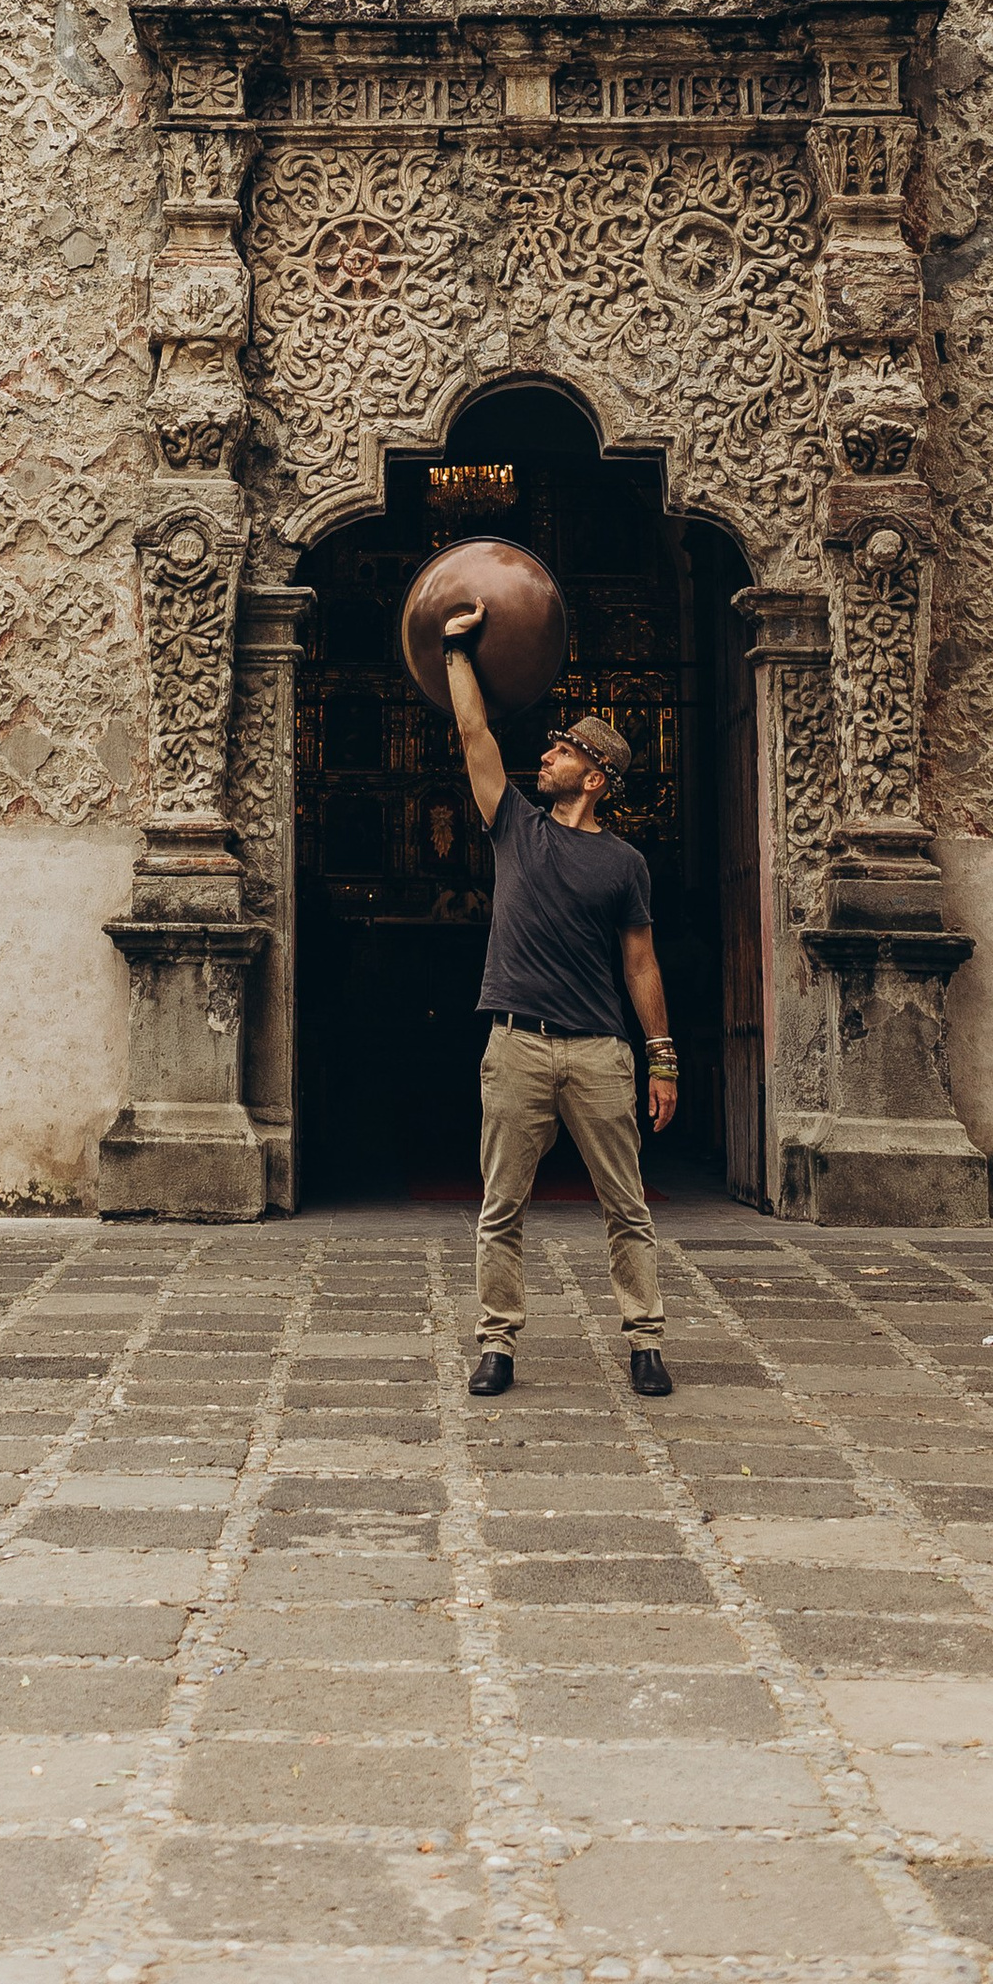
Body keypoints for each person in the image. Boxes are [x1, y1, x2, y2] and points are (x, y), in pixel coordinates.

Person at [442, 596, 678, 1399]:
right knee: (500, 1204)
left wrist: (662, 1058)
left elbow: (641, 965)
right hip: (515, 1044)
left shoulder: (623, 863)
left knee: (626, 1203)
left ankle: (645, 1338)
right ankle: (498, 1344)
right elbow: (477, 736)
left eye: (564, 750)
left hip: (601, 1053)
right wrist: (455, 656)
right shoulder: (514, 823)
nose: (546, 756)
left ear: (598, 776)